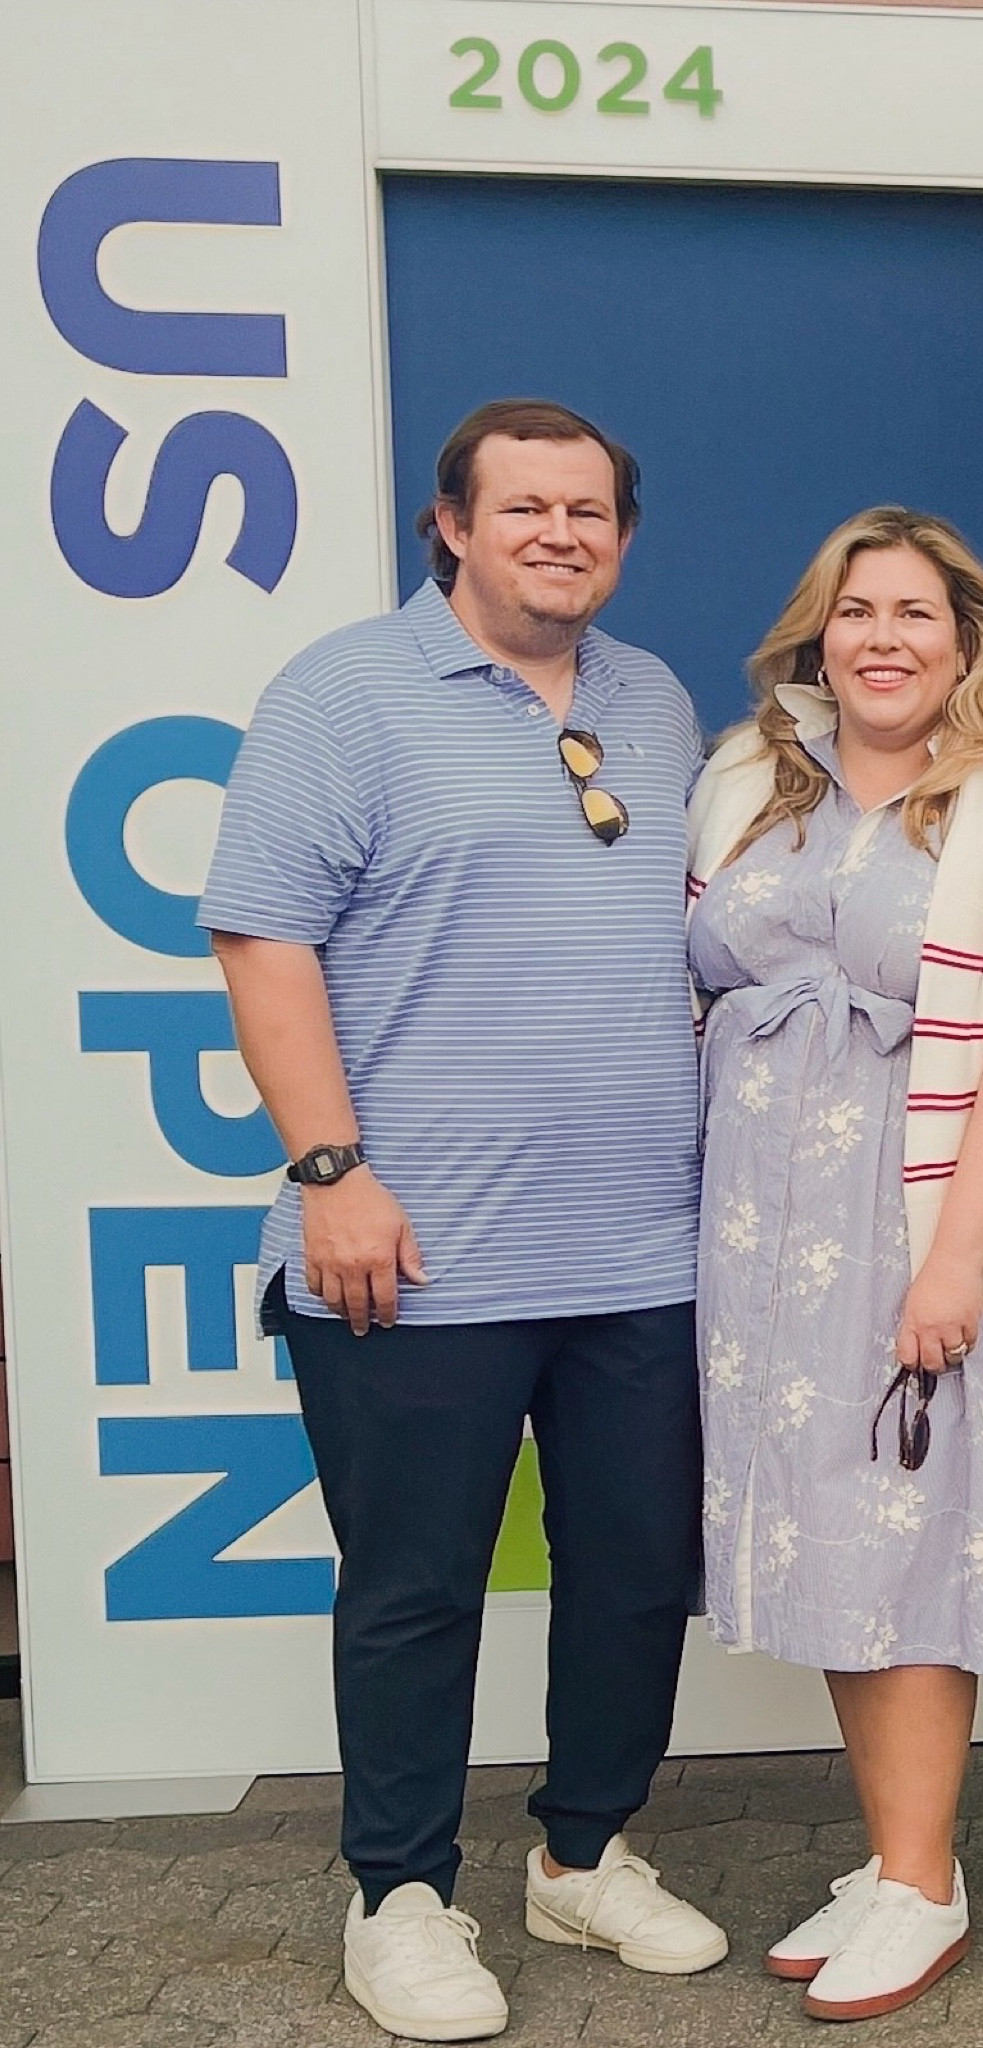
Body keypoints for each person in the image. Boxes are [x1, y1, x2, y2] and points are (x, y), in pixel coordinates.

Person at [199, 399, 727, 2044]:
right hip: (410, 1251)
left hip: (641, 1245)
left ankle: (581, 1852)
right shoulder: (342, 698)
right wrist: (330, 1173)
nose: (561, 534)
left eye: (590, 511)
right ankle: (400, 1894)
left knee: (638, 1572)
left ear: (620, 538)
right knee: (415, 1584)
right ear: (452, 526)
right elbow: (262, 942)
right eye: (525, 509)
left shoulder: (653, 701)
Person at [686, 507, 983, 2024]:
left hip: (948, 1211)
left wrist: (947, 1260)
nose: (882, 639)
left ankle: (924, 1883)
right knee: (828, 1532)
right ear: (818, 635)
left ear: (965, 639)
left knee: (911, 1538)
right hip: (768, 1232)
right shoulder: (750, 783)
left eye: (915, 615)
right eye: (855, 611)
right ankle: (893, 1862)